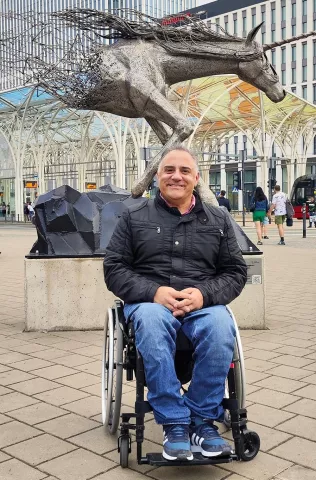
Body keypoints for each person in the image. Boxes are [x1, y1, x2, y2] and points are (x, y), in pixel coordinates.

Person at [104, 146, 247, 462]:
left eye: (184, 171)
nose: (176, 176)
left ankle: (201, 420)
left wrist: (203, 295)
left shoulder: (219, 219)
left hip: (203, 305)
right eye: (169, 170)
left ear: (196, 178)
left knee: (221, 325)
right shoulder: (133, 216)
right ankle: (175, 423)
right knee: (153, 320)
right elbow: (114, 268)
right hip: (150, 304)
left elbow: (236, 272)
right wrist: (154, 292)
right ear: (158, 176)